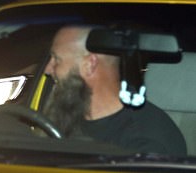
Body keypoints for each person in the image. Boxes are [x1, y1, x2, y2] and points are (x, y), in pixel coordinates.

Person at [44, 25, 186, 156]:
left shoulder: (145, 141)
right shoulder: (66, 114)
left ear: (90, 65)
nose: (47, 70)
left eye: (57, 60)